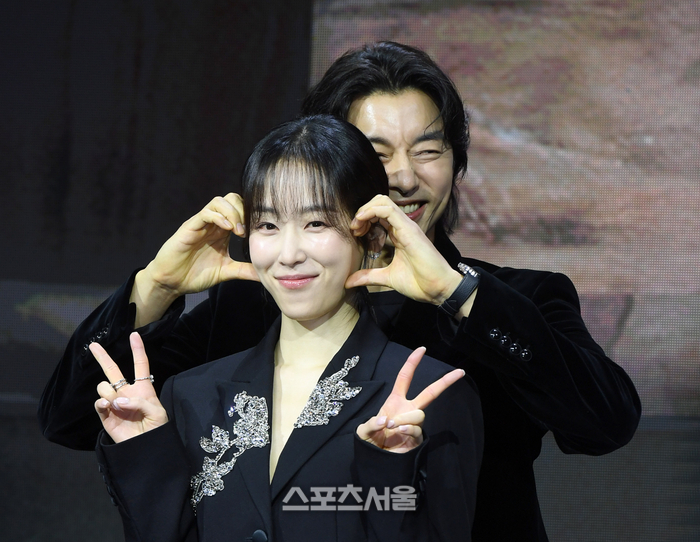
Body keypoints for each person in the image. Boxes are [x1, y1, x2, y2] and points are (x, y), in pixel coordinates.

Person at [39, 42, 641, 541]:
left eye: (429, 151)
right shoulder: (254, 304)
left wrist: (458, 296)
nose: (403, 176)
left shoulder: (515, 300)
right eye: (376, 155)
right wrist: (156, 286)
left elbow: (604, 425)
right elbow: (74, 419)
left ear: (457, 165)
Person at [89, 115, 483, 542]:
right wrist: (146, 457)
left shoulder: (428, 396)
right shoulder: (191, 395)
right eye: (268, 226)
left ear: (370, 234)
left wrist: (389, 470)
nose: (288, 253)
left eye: (316, 223)